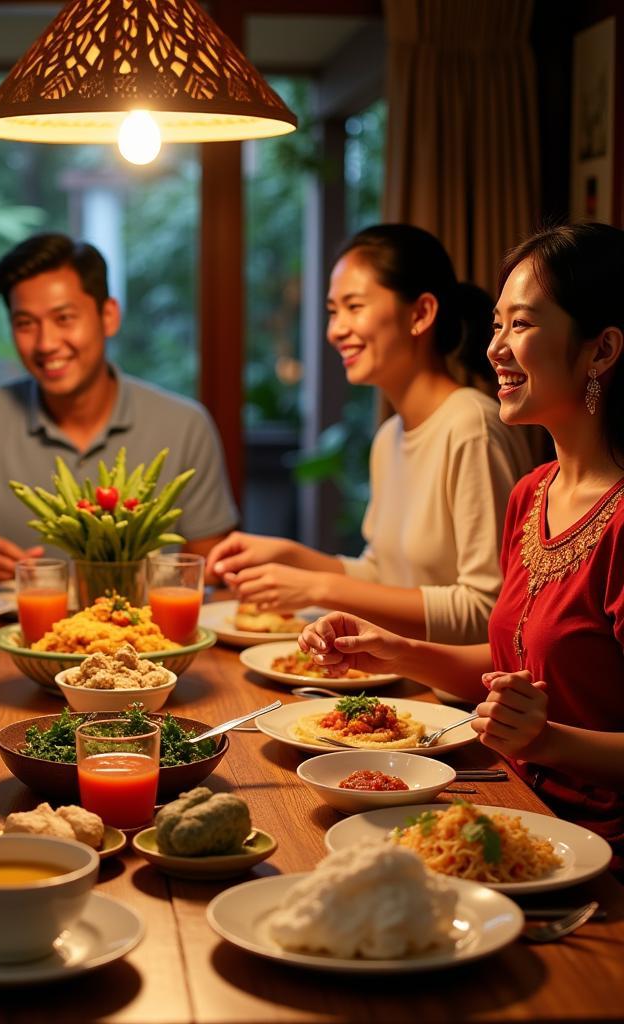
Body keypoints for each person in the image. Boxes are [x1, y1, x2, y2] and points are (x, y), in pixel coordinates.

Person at [298, 223, 624, 863]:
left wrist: (548, 741)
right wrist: (390, 651)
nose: (497, 348)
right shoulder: (533, 493)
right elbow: (515, 668)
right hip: (505, 805)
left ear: (602, 350)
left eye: (523, 325)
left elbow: (537, 721)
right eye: (497, 324)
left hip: (595, 850)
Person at [207, 224, 534, 643]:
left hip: (457, 699)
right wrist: (291, 556)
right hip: (397, 679)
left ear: (420, 314)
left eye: (353, 306)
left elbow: (489, 609)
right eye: (332, 311)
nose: (335, 329)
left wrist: (318, 588)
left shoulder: (472, 427)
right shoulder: (389, 436)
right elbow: (383, 575)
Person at [0, 233, 238, 589]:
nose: (46, 344)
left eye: (64, 318)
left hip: (144, 641)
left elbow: (208, 570)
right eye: (25, 324)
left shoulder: (184, 425)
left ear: (108, 315)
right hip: (8, 639)